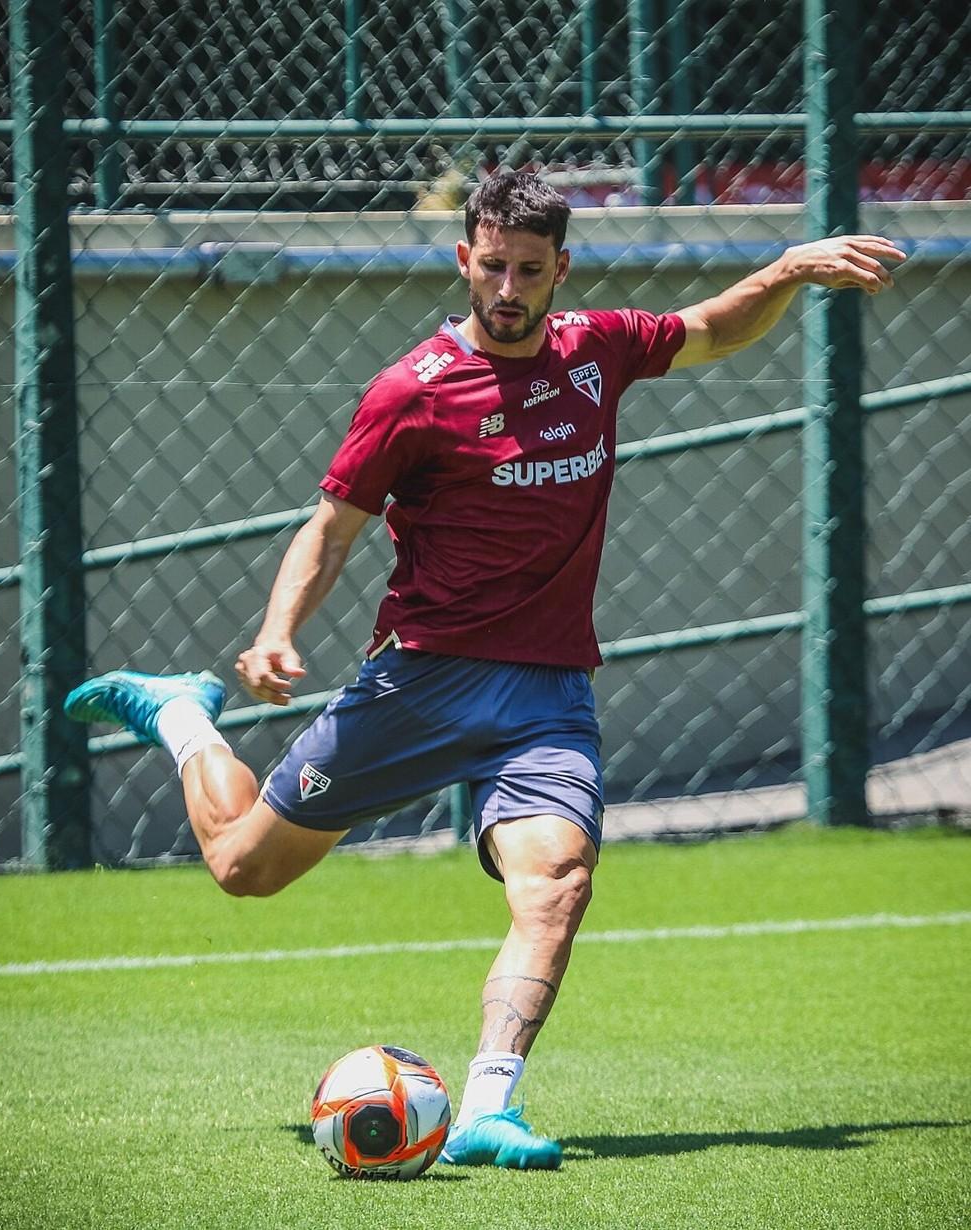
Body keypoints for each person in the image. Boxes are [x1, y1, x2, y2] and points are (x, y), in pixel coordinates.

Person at [65, 172, 904, 1170]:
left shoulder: (598, 350)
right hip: (420, 682)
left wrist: (791, 266)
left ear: (561, 269)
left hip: (547, 693)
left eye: (529, 268)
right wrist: (276, 631)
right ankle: (182, 720)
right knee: (243, 869)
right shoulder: (411, 391)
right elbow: (331, 530)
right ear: (464, 259)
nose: (508, 284)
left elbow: (712, 329)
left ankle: (487, 1110)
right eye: (493, 264)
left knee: (557, 884)